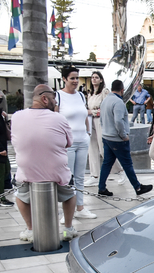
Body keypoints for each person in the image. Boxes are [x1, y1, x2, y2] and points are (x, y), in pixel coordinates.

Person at [11, 84, 79, 241]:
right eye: (54, 99)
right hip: (56, 171)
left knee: (20, 195)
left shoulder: (16, 116)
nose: (56, 103)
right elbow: (69, 142)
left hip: (26, 171)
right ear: (44, 99)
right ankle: (67, 229)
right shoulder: (59, 118)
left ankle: (31, 229)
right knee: (70, 194)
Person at [56, 66, 97, 220]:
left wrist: (87, 133)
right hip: (67, 143)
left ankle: (80, 207)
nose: (75, 81)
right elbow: (55, 118)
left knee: (80, 176)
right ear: (64, 79)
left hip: (82, 140)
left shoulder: (80, 95)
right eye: (72, 78)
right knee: (68, 177)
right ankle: (68, 211)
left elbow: (84, 114)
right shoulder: (58, 96)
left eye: (76, 78)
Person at [99, 80, 153, 196]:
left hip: (107, 137)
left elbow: (101, 120)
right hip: (117, 139)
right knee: (127, 164)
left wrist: (105, 132)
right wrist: (123, 135)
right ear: (122, 90)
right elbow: (118, 121)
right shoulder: (118, 102)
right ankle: (138, 188)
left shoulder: (105, 101)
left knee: (107, 163)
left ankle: (101, 187)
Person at [84, 71, 125, 188]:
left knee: (103, 149)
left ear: (101, 79)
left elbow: (106, 107)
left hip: (100, 120)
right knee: (92, 149)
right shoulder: (91, 93)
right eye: (92, 77)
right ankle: (94, 176)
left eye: (96, 77)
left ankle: (120, 171)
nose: (94, 79)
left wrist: (92, 112)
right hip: (91, 120)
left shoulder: (104, 92)